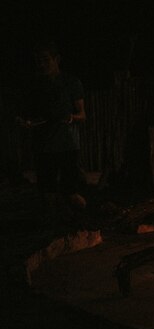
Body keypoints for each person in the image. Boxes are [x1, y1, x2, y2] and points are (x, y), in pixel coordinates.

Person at [16, 40, 86, 221]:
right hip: (43, 145)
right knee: (48, 192)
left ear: (57, 59)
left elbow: (82, 114)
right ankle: (53, 226)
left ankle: (81, 220)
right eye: (38, 61)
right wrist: (26, 123)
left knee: (71, 191)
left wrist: (71, 118)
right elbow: (26, 115)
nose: (42, 65)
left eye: (46, 60)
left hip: (67, 144)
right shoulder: (34, 85)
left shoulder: (71, 82)